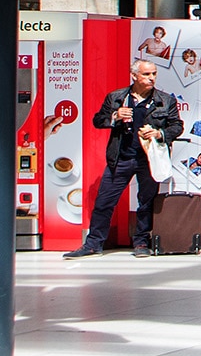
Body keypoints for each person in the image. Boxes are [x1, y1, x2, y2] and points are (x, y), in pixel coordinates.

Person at [66, 57, 185, 258]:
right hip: (121, 158)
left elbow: (177, 126)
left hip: (148, 159)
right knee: (104, 201)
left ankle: (141, 243)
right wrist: (115, 116)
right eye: (146, 74)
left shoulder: (166, 100)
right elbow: (98, 120)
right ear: (134, 76)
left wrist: (159, 133)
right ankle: (93, 244)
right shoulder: (116, 97)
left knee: (146, 202)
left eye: (154, 73)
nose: (152, 78)